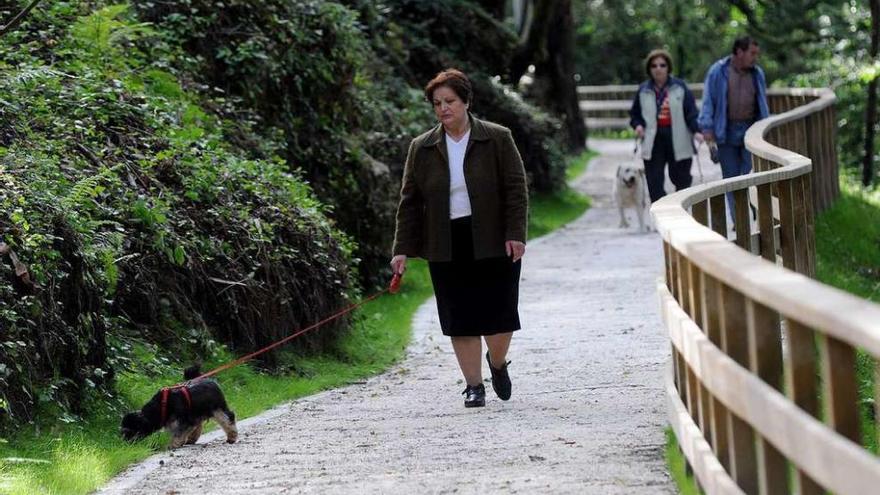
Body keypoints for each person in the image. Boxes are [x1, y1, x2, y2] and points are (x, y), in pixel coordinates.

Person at [390, 68, 528, 408]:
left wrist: (515, 233)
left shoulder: (497, 138)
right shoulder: (421, 148)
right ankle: (473, 385)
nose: (443, 109)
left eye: (449, 101)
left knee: (500, 313)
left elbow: (515, 189)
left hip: (494, 239)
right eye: (437, 103)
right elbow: (410, 201)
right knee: (459, 316)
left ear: (466, 101)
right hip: (445, 242)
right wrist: (402, 249)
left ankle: (497, 363)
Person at [698, 36, 770, 220]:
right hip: (726, 130)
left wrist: (765, 127)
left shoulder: (757, 73)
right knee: (730, 178)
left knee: (750, 175)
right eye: (752, 53)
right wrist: (707, 127)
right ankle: (739, 220)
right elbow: (708, 101)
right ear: (739, 51)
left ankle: (752, 214)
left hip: (750, 130)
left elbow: (762, 102)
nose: (755, 57)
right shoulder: (718, 71)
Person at [629, 49, 703, 203]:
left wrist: (697, 131)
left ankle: (680, 212)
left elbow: (691, 112)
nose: (658, 69)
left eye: (662, 65)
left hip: (678, 137)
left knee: (681, 179)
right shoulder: (643, 90)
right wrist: (638, 126)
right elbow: (635, 115)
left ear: (668, 67)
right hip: (653, 139)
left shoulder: (680, 87)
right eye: (654, 66)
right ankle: (662, 213)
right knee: (654, 183)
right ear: (649, 69)